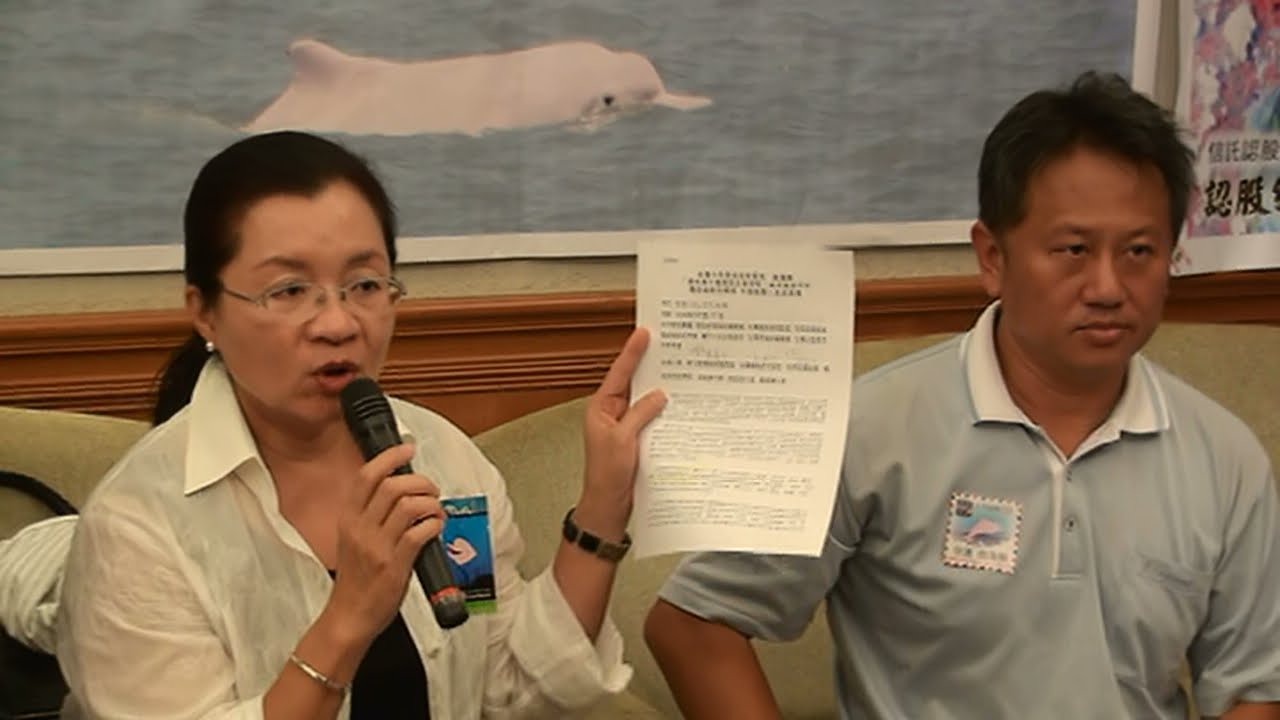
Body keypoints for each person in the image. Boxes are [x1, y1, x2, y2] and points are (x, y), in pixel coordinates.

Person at [644, 71, 1280, 719]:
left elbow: (1254, 685)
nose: (1108, 287)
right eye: (1074, 249)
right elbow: (694, 624)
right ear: (992, 257)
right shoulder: (869, 431)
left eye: (1139, 251)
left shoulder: (1223, 457)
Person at [55, 130, 666, 719]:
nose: (338, 323)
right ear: (206, 313)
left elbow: (510, 692)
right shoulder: (138, 526)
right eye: (289, 291)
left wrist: (603, 506)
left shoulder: (442, 460)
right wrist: (349, 616)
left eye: (365, 284)